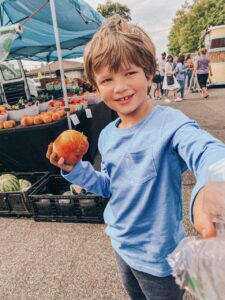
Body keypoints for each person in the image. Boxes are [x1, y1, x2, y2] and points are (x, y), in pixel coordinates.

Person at [47, 16, 225, 300]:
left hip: (158, 260)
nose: (119, 87)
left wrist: (212, 182)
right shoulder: (106, 135)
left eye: (129, 73)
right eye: (107, 79)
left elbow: (205, 150)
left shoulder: (170, 125)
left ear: (149, 72)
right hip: (121, 245)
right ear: (96, 85)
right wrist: (75, 170)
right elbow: (109, 185)